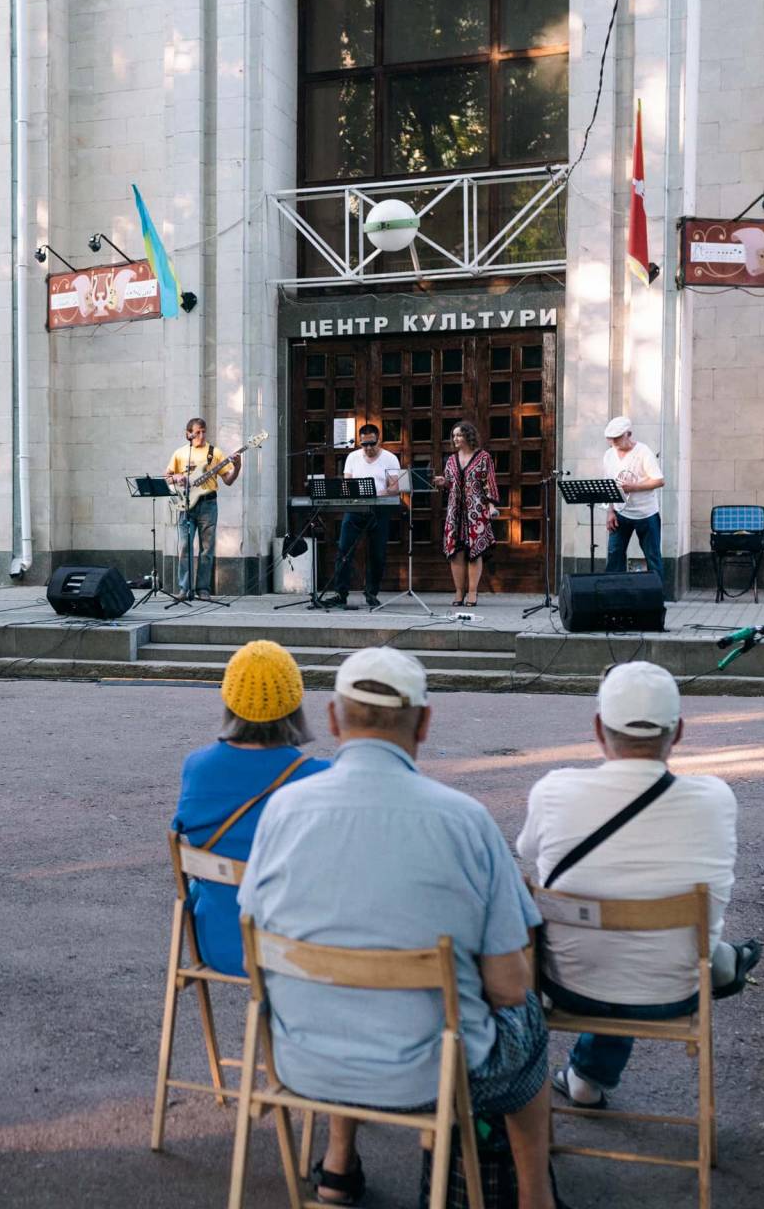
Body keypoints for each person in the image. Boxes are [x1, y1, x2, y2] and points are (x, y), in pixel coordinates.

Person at [238, 648, 554, 1209]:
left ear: (334, 719)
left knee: (346, 985)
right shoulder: (465, 821)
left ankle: (338, 1163)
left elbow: (252, 956)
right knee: (528, 1020)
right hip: (435, 1076)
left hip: (303, 1061)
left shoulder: (283, 811)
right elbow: (510, 987)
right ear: (425, 723)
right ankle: (535, 1198)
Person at [517, 661, 760, 1110]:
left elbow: (528, 851)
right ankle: (589, 1075)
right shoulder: (715, 799)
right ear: (680, 731)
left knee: (609, 939)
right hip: (675, 988)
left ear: (597, 727)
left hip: (569, 981)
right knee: (645, 946)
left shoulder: (554, 791)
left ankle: (585, 1077)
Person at [171, 641, 327, 977]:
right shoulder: (321, 778)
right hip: (297, 945)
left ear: (230, 699)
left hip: (221, 943)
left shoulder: (197, 768)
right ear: (294, 701)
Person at [322, 423, 400, 611]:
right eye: (364, 445)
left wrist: (375, 493)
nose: (368, 448)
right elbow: (348, 483)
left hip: (379, 510)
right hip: (355, 509)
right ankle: (341, 593)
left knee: (377, 554)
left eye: (372, 444)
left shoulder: (390, 459)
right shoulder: (352, 457)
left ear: (378, 440)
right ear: (360, 442)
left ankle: (371, 592)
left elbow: (394, 488)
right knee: (344, 550)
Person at [165, 417, 241, 600]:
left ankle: (203, 589)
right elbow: (167, 477)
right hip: (186, 504)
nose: (201, 435)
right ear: (188, 434)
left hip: (208, 504)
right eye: (197, 432)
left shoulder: (215, 453)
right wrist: (177, 478)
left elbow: (228, 481)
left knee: (207, 548)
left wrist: (237, 466)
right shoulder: (180, 453)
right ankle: (184, 588)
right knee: (184, 547)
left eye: (203, 431)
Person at [431, 421, 499, 607]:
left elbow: (490, 483)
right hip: (455, 512)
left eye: (458, 435)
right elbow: (450, 483)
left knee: (474, 553)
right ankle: (459, 592)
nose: (455, 439)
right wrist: (443, 482)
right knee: (456, 553)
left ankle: (472, 593)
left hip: (476, 511)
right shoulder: (451, 460)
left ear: (468, 436)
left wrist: (492, 506)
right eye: (453, 436)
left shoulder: (483, 457)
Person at [602, 415, 666, 583]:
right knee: (614, 554)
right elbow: (610, 485)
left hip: (646, 514)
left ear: (628, 434)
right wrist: (610, 511)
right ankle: (614, 596)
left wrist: (634, 487)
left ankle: (656, 599)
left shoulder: (643, 452)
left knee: (652, 556)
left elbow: (659, 480)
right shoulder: (609, 455)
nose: (614, 443)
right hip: (620, 513)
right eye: (611, 439)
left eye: (617, 438)